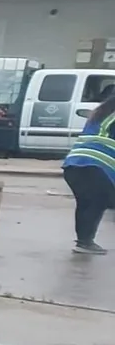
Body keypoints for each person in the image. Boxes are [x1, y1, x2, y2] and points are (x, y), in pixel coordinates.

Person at [61, 90, 115, 253]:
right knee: (99, 202)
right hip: (95, 166)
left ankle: (84, 242)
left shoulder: (101, 113)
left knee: (86, 203)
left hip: (74, 164)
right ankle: (85, 242)